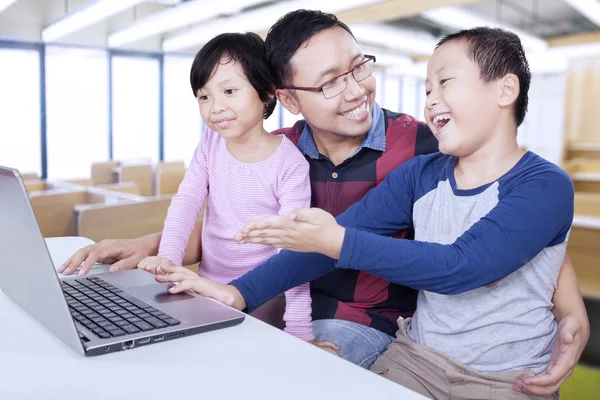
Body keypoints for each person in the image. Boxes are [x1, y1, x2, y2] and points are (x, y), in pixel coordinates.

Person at [59, 10, 588, 395]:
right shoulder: (277, 152)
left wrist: (571, 307)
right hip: (307, 307)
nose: (356, 89)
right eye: (331, 81)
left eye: (359, 67)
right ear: (287, 99)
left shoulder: (425, 146)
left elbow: (508, 239)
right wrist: (158, 249)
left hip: (370, 320)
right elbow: (239, 226)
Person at [135, 32, 314, 341]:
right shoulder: (210, 144)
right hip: (205, 287)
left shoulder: (290, 163)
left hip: (263, 299)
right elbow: (186, 201)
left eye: (229, 91)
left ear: (267, 92)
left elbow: (294, 250)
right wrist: (168, 258)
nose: (214, 107)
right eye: (204, 97)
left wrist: (301, 331)